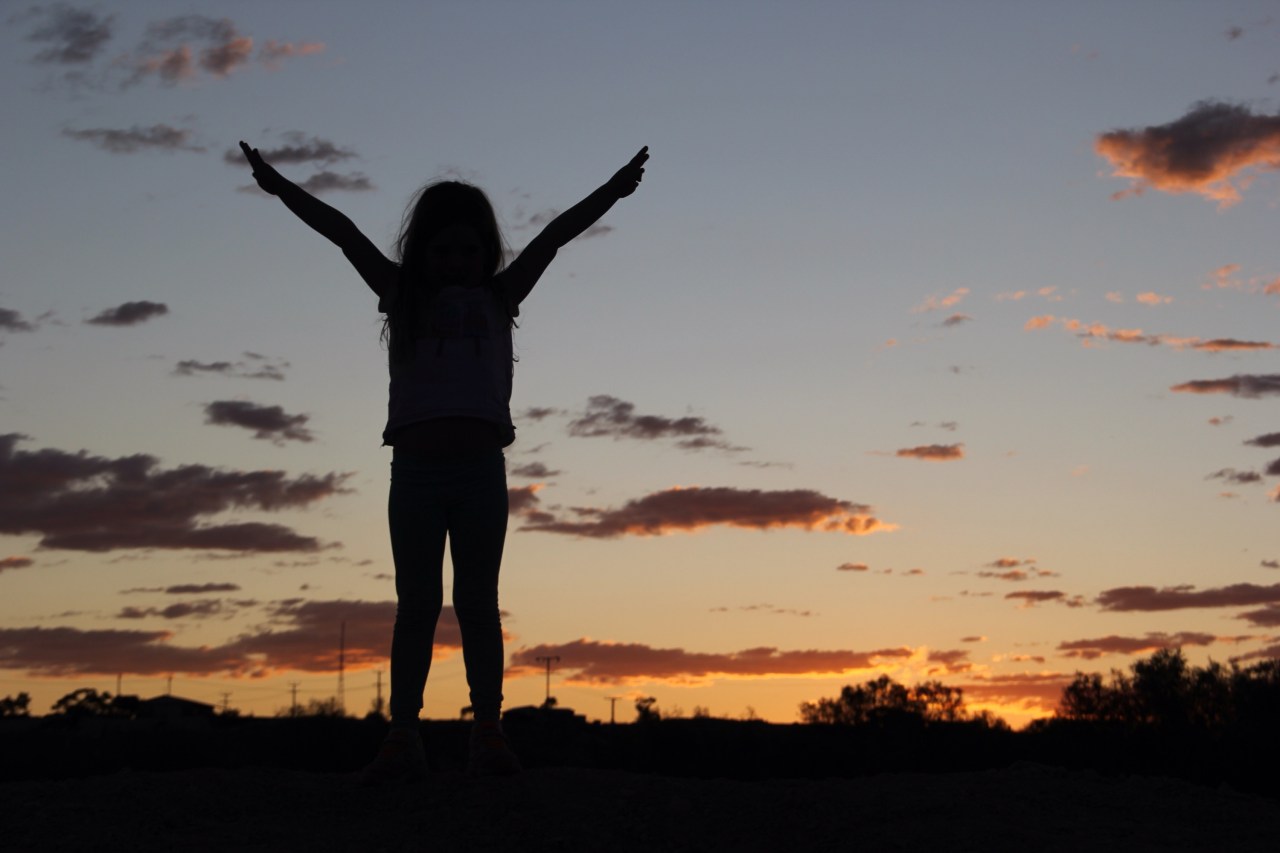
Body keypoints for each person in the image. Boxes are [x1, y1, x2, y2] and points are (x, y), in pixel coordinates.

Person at [239, 139, 648, 781]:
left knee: (478, 604)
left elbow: (555, 235)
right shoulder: (402, 296)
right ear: (421, 253)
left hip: (481, 474)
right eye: (443, 250)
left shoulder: (500, 295)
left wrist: (614, 189)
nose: (456, 262)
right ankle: (404, 735)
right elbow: (342, 233)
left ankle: (488, 730)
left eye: (468, 249)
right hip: (417, 476)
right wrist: (280, 186)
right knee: (417, 606)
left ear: (486, 253)